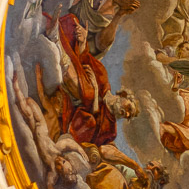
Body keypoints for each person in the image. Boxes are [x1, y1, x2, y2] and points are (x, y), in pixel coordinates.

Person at [51, 14, 138, 145]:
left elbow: (92, 129)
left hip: (76, 110)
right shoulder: (103, 76)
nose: (125, 113)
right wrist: (83, 41)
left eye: (128, 116)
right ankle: (57, 43)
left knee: (90, 93)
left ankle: (56, 43)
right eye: (129, 108)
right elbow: (84, 58)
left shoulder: (110, 129)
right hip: (75, 71)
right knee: (73, 25)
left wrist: (96, 91)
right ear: (124, 96)